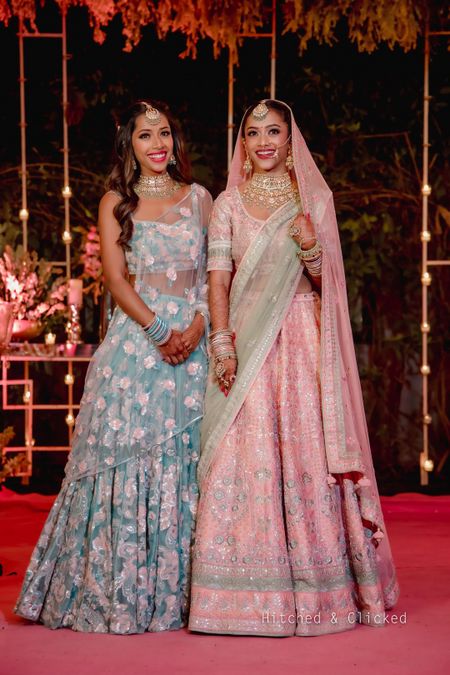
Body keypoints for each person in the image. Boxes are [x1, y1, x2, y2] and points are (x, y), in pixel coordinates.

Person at [189, 99, 399, 637]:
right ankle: (238, 599)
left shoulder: (314, 200)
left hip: (302, 341)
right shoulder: (229, 204)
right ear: (243, 142)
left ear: (290, 140)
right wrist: (222, 340)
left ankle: (321, 590)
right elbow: (218, 281)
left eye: (274, 131)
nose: (263, 141)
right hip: (246, 341)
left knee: (306, 453)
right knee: (245, 452)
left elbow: (332, 289)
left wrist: (311, 251)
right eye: (253, 131)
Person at [15, 100, 212, 634]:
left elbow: (218, 270)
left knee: (190, 463)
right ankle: (118, 592)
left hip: (197, 344)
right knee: (125, 462)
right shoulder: (115, 201)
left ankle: (199, 595)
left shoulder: (200, 199)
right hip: (137, 350)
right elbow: (116, 279)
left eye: (165, 133)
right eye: (146, 136)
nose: (158, 145)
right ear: (129, 145)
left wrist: (197, 326)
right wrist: (157, 331)